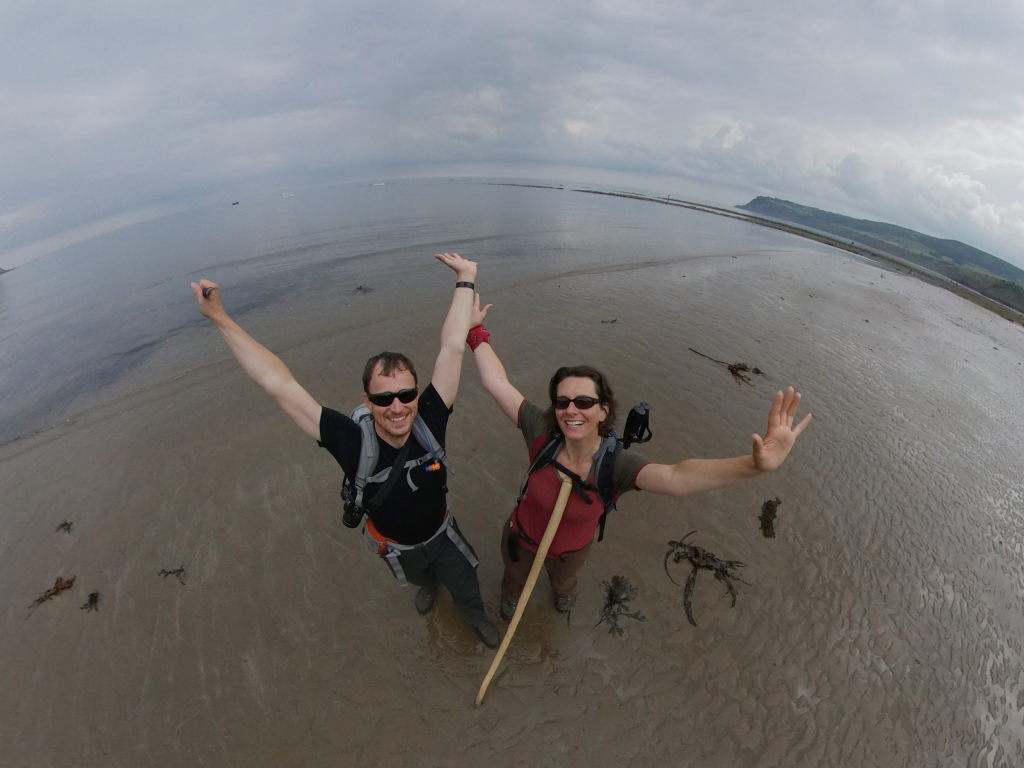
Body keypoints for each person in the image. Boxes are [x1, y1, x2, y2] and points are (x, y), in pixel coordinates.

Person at [190, 252, 501, 647]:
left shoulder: (430, 420)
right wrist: (220, 318)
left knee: (464, 579)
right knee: (420, 577)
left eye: (406, 394)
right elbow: (279, 384)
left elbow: (452, 347)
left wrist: (466, 277)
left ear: (417, 394)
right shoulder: (352, 442)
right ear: (367, 402)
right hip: (396, 546)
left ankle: (475, 617)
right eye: (384, 398)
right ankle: (428, 586)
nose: (397, 407)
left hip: (442, 533)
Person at [465, 296, 813, 620]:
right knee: (513, 582)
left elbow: (678, 478)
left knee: (564, 584)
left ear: (603, 411)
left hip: (571, 552)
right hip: (520, 540)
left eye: (584, 402)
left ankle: (562, 597)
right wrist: (475, 332)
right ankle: (511, 605)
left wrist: (753, 465)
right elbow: (497, 383)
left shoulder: (615, 466)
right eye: (563, 401)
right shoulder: (541, 430)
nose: (571, 410)